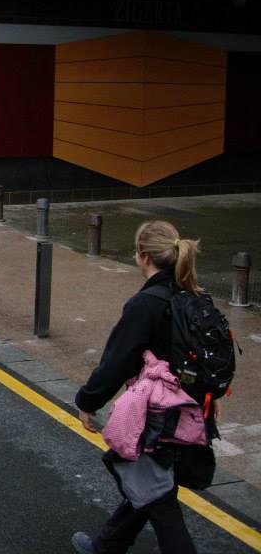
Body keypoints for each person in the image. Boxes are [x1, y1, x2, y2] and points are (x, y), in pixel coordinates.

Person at [72, 221, 206, 554]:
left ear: (143, 256)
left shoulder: (145, 304)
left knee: (159, 497)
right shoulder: (193, 296)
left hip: (157, 414)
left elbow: (118, 361)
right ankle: (107, 545)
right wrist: (211, 397)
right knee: (150, 480)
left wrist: (88, 401)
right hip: (191, 409)